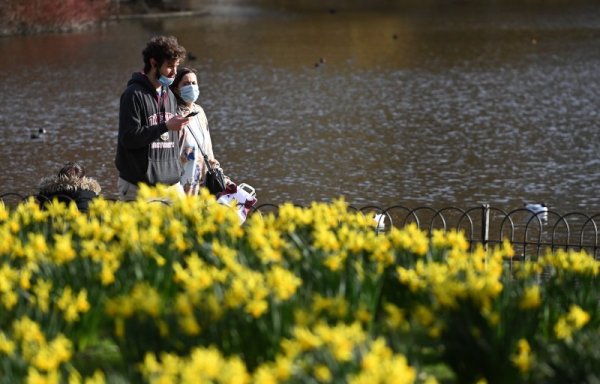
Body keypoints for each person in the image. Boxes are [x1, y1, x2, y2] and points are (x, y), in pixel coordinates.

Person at [115, 35, 190, 200]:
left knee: (187, 224)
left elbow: (167, 138)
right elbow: (128, 138)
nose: (175, 72)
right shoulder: (133, 94)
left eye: (176, 66)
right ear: (153, 63)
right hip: (140, 187)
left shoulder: (169, 94)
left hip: (172, 185)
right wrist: (165, 126)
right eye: (170, 66)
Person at [170, 67, 223, 195]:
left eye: (194, 83)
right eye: (186, 84)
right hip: (180, 185)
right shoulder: (173, 114)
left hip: (201, 185)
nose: (191, 87)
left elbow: (208, 151)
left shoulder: (199, 112)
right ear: (177, 88)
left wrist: (220, 175)